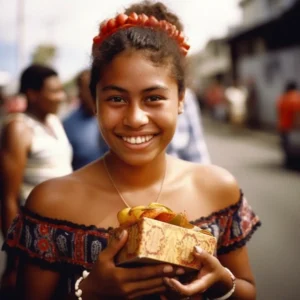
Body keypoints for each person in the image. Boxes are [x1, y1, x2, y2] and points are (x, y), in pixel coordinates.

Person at [3, 2, 260, 299]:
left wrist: (221, 284)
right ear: (94, 101)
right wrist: (87, 292)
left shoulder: (219, 189)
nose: (135, 119)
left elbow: (247, 289)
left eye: (153, 98)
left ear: (180, 100)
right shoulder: (51, 203)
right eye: (116, 99)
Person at [0, 64, 73, 295]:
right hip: (36, 239)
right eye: (54, 91)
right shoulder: (19, 129)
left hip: (63, 234)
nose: (60, 97)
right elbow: (8, 198)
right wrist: (15, 258)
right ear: (32, 94)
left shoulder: (53, 122)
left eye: (61, 90)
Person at [63, 69, 109, 170]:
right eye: (90, 89)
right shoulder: (67, 126)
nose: (96, 94)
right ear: (79, 93)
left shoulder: (117, 118)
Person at [277, 81, 300, 168]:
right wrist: (297, 126)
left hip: (283, 126)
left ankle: (287, 162)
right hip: (292, 127)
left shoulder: (282, 98)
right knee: (294, 147)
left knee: (286, 146)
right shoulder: (296, 98)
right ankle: (294, 164)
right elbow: (297, 114)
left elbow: (279, 112)